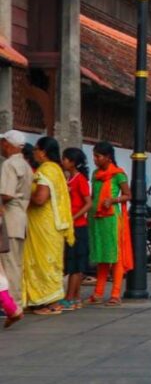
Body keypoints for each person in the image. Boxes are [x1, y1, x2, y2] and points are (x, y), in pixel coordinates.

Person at [21, 137, 74, 314]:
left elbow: (41, 198)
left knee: (42, 262)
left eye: (36, 149)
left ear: (43, 151)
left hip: (44, 225)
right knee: (52, 263)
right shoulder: (56, 169)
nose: (34, 152)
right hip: (52, 225)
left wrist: (22, 195)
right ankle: (51, 301)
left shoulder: (46, 170)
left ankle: (47, 303)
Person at [87, 142, 132, 306]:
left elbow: (128, 195)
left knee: (115, 256)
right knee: (102, 256)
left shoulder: (119, 175)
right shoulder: (95, 174)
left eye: (98, 156)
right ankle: (98, 293)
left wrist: (113, 200)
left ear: (108, 157)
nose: (95, 159)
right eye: (94, 156)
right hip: (97, 218)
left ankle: (115, 294)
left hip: (112, 219)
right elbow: (93, 197)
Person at [0, 130, 32, 307]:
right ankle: (15, 302)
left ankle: (12, 305)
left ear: (7, 143)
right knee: (15, 264)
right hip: (20, 219)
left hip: (9, 220)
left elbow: (6, 194)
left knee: (9, 264)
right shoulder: (25, 165)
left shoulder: (9, 165)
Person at [61, 148, 92, 310]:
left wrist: (74, 217)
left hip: (78, 226)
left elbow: (88, 203)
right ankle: (76, 297)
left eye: (65, 159)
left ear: (72, 162)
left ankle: (70, 297)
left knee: (75, 264)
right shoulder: (70, 179)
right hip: (71, 226)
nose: (63, 161)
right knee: (73, 262)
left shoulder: (80, 180)